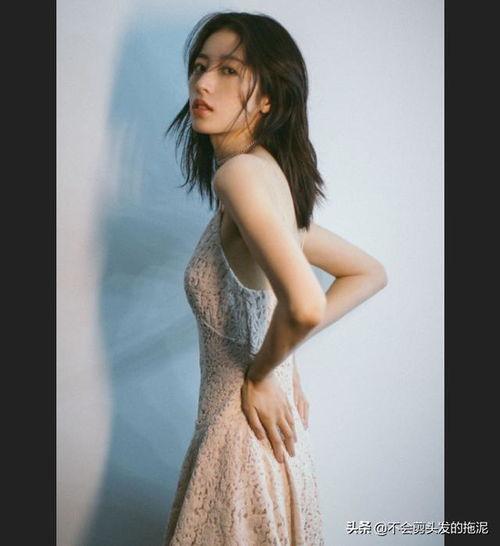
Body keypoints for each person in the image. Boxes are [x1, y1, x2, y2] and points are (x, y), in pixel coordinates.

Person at [162, 11, 388, 545]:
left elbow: (307, 303)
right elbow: (367, 272)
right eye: (200, 66)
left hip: (238, 440)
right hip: (271, 446)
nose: (203, 83)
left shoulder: (239, 175)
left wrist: (265, 374)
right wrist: (279, 361)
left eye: (229, 70)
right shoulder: (269, 178)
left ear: (268, 97)